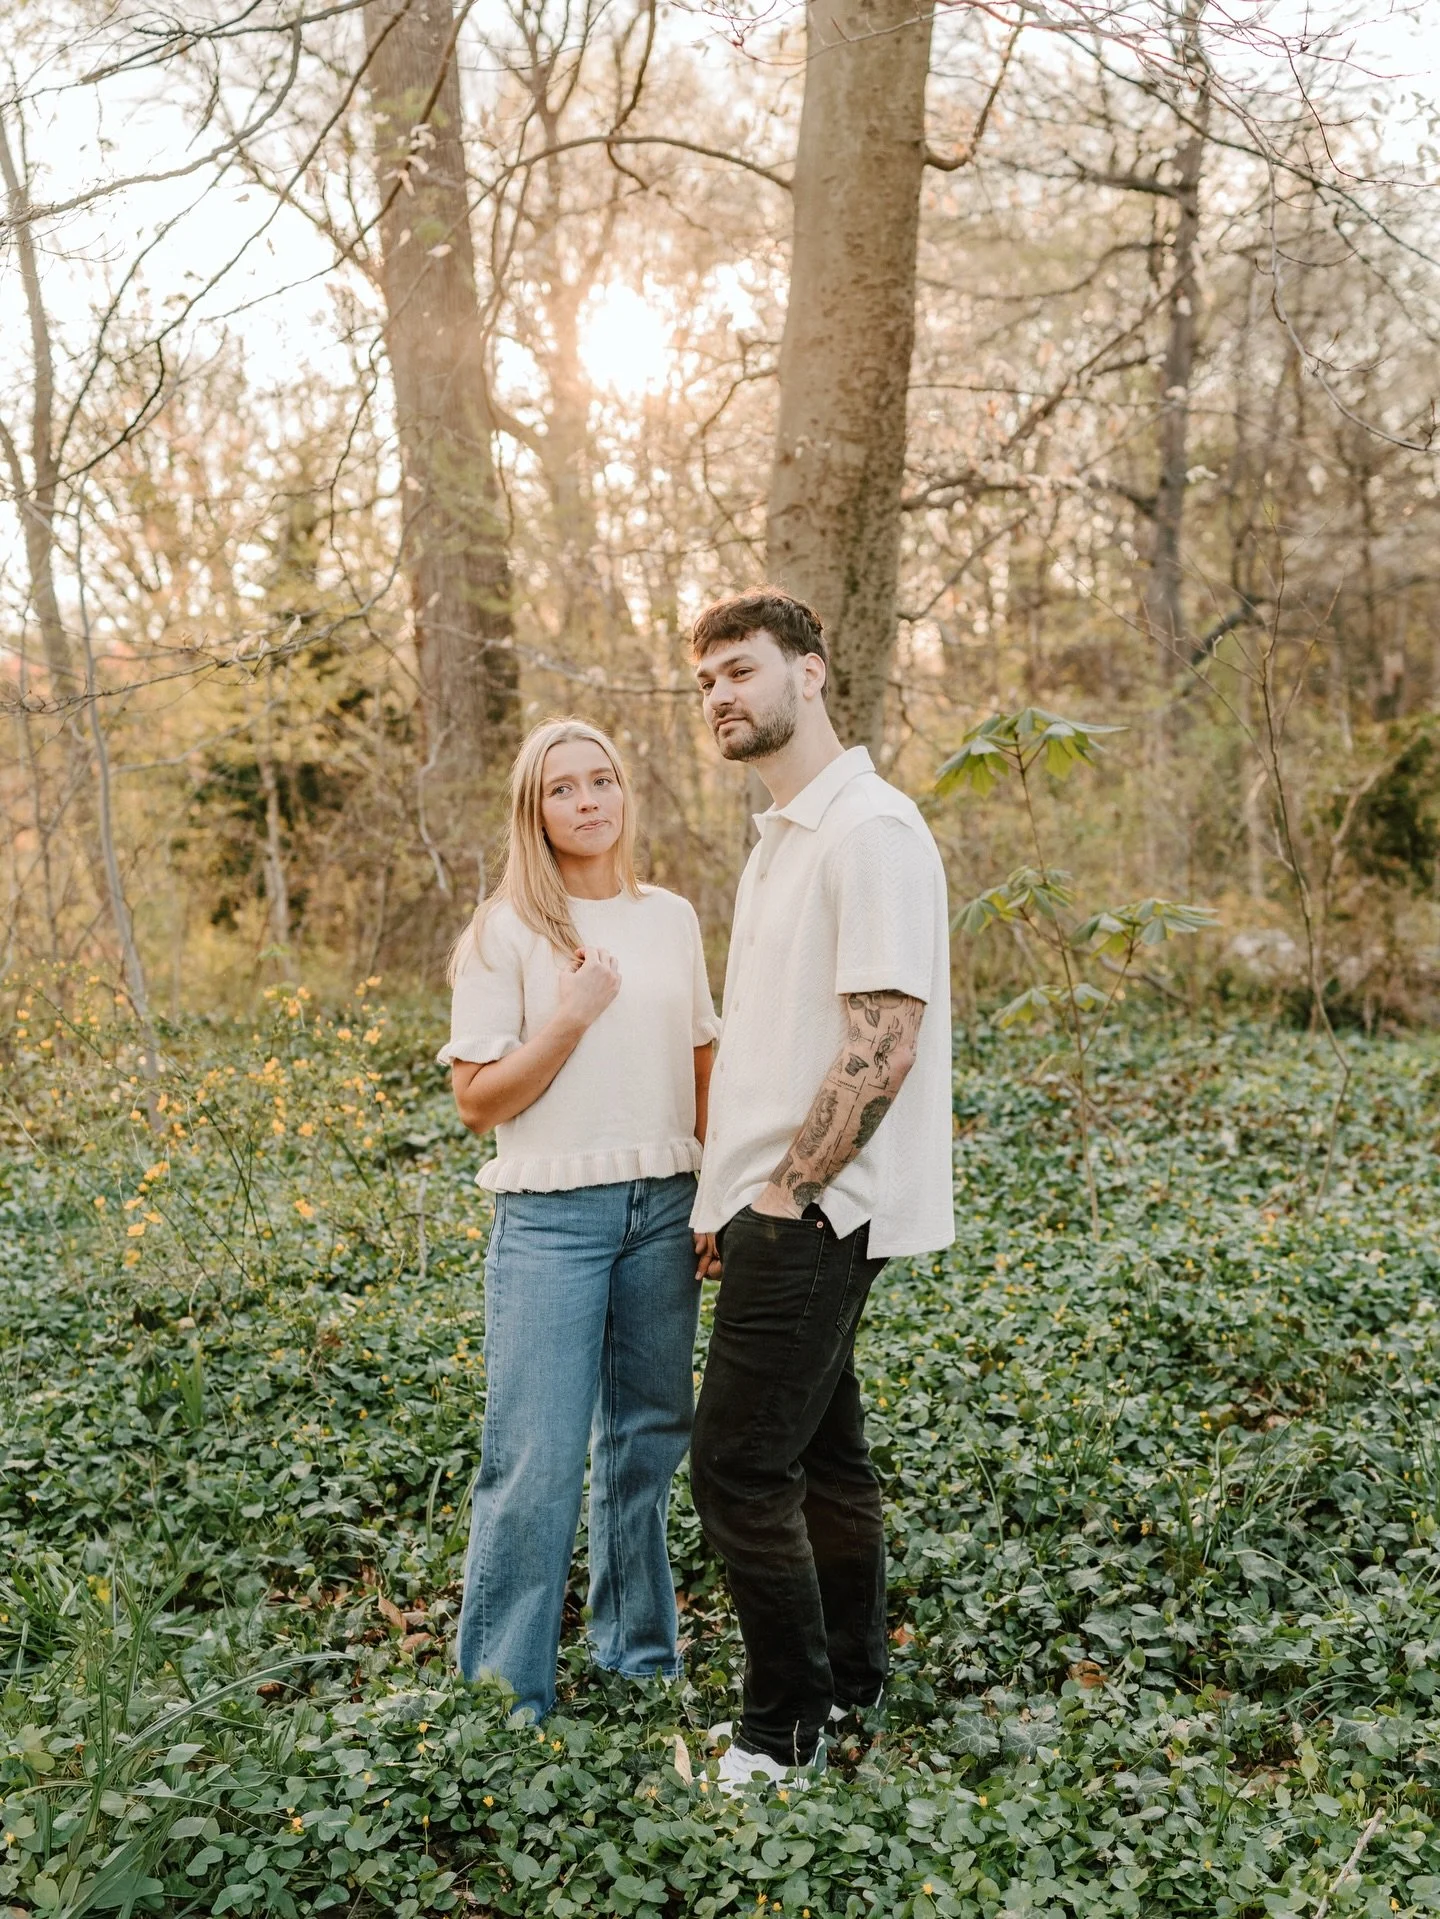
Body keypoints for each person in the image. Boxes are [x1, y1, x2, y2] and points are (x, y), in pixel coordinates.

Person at [687, 588, 955, 1790]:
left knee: (739, 1463)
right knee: (824, 1453)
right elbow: (773, 1044)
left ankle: (779, 1729)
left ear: (812, 671)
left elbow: (881, 1042)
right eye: (705, 683)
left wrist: (787, 1194)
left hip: (820, 1207)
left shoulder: (870, 832)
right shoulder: (786, 834)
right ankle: (849, 1678)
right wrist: (726, 1192)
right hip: (777, 1199)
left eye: (741, 670)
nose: (721, 697)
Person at [440, 717, 720, 1722]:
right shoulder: (502, 931)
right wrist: (570, 1012)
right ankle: (504, 1693)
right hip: (553, 1217)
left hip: (665, 1206)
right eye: (564, 788)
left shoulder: (671, 917)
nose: (589, 800)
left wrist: (715, 1192)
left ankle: (638, 1651)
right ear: (535, 808)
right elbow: (478, 1100)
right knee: (536, 1455)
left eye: (603, 778)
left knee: (646, 1438)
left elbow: (700, 1061)